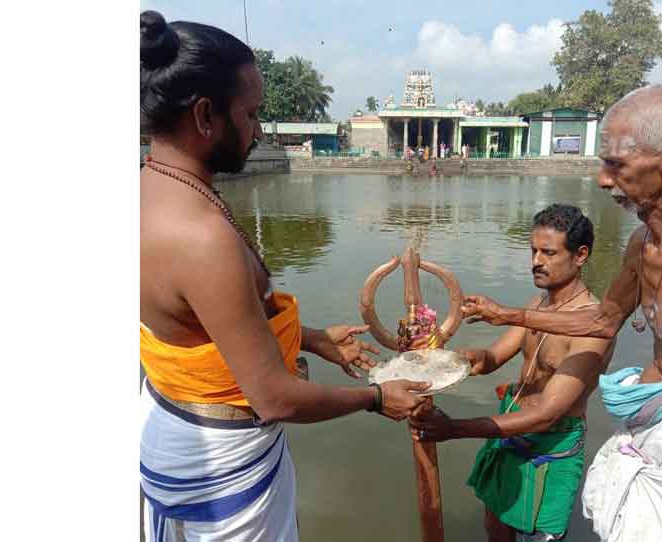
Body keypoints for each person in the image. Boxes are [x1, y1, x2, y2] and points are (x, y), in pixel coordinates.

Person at [139, 11, 429, 541]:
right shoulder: (200, 236)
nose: (258, 131)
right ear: (205, 116)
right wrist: (377, 397)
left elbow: (203, 326)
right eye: (250, 114)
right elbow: (273, 396)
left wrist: (311, 339)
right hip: (220, 466)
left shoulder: (149, 192)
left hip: (170, 426)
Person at [460, 85, 662, 542]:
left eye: (615, 163)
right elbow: (604, 321)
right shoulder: (639, 245)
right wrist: (464, 353)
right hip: (633, 427)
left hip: (552, 441)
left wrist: (452, 429)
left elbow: (551, 409)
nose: (603, 180)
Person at [410, 205, 614, 542]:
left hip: (551, 446)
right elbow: (491, 358)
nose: (536, 260)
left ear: (580, 256)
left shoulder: (592, 326)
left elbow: (547, 415)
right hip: (511, 428)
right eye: (533, 250)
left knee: (540, 536)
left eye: (548, 252)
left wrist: (454, 429)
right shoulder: (537, 306)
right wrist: (455, 359)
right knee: (496, 526)